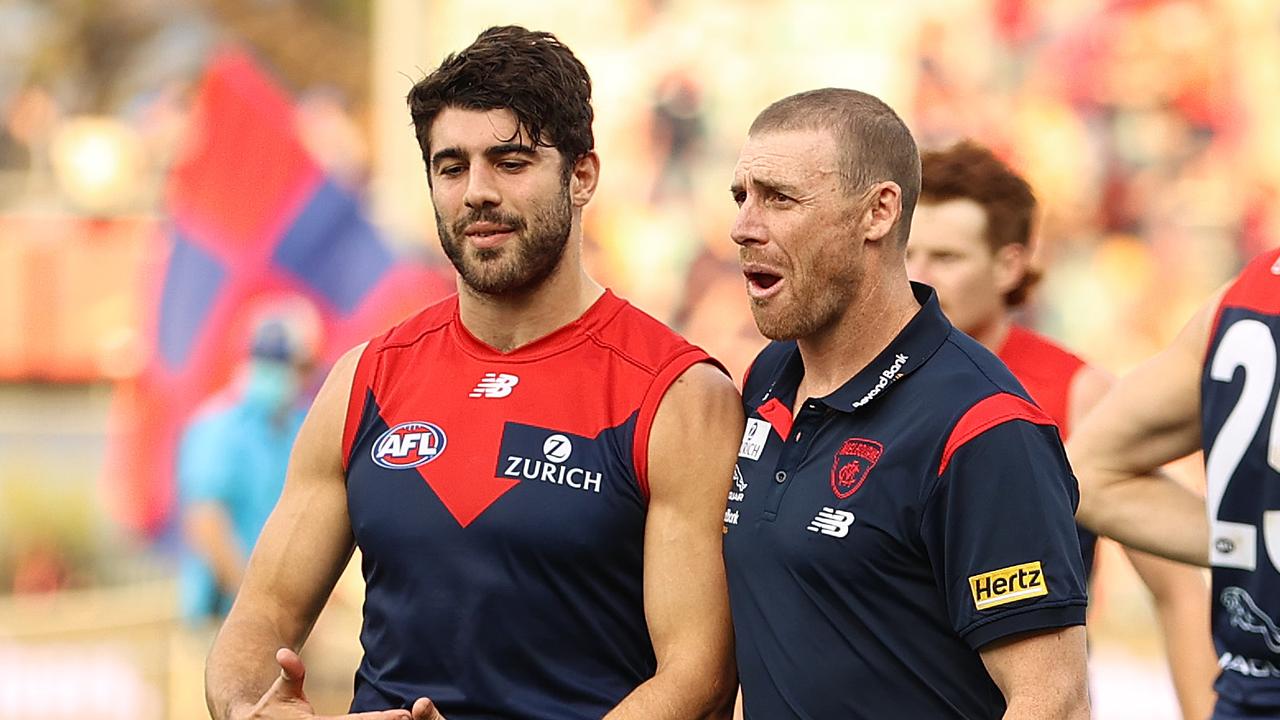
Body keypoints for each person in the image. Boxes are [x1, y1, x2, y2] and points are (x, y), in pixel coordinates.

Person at [204, 25, 742, 720]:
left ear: (582, 176)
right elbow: (256, 624)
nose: (477, 192)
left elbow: (699, 678)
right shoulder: (365, 380)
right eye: (451, 166)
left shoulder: (677, 395)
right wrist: (258, 711)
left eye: (510, 162)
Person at [721, 88, 1090, 720]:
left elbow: (1053, 698)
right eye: (742, 197)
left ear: (879, 212)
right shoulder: (768, 378)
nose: (745, 227)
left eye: (779, 198)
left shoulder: (983, 426)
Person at [906, 139, 1217, 719]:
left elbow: (1177, 591)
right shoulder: (853, 380)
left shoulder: (1077, 391)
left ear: (1010, 264)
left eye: (946, 258)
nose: (917, 279)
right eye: (907, 253)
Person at [1070, 246, 1280, 720]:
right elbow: (1090, 475)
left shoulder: (1247, 293)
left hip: (1248, 690)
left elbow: (1089, 471)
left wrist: (1252, 545)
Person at [179, 311, 314, 625]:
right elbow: (206, 524)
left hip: (287, 615)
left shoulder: (300, 423)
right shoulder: (220, 427)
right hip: (223, 612)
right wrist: (256, 607)